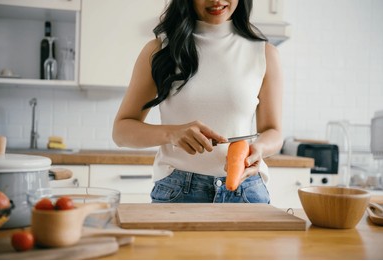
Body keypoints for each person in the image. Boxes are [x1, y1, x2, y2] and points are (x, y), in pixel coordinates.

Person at [113, 0, 283, 203]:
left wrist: (259, 149)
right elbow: (121, 132)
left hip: (246, 190)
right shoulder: (159, 50)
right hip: (178, 191)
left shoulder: (264, 53)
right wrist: (172, 134)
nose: (217, 0)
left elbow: (273, 132)